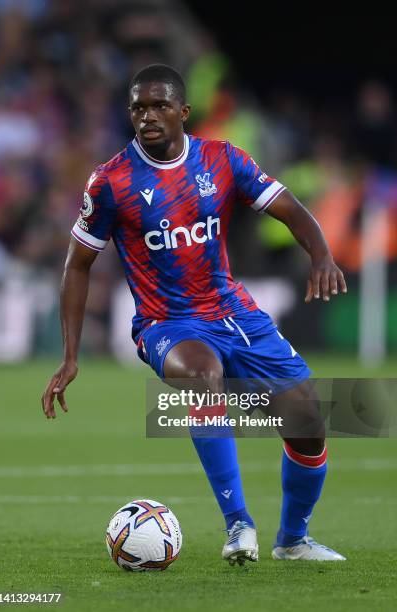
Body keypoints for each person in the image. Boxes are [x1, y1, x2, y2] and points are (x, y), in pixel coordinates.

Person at [42, 64, 348, 565]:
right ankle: (238, 525)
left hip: (233, 312)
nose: (148, 116)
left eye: (160, 105)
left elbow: (289, 206)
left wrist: (320, 254)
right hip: (166, 324)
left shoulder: (222, 159)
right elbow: (77, 266)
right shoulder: (111, 182)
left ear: (183, 112)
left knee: (308, 418)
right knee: (204, 376)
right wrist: (70, 356)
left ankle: (292, 541)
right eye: (138, 107)